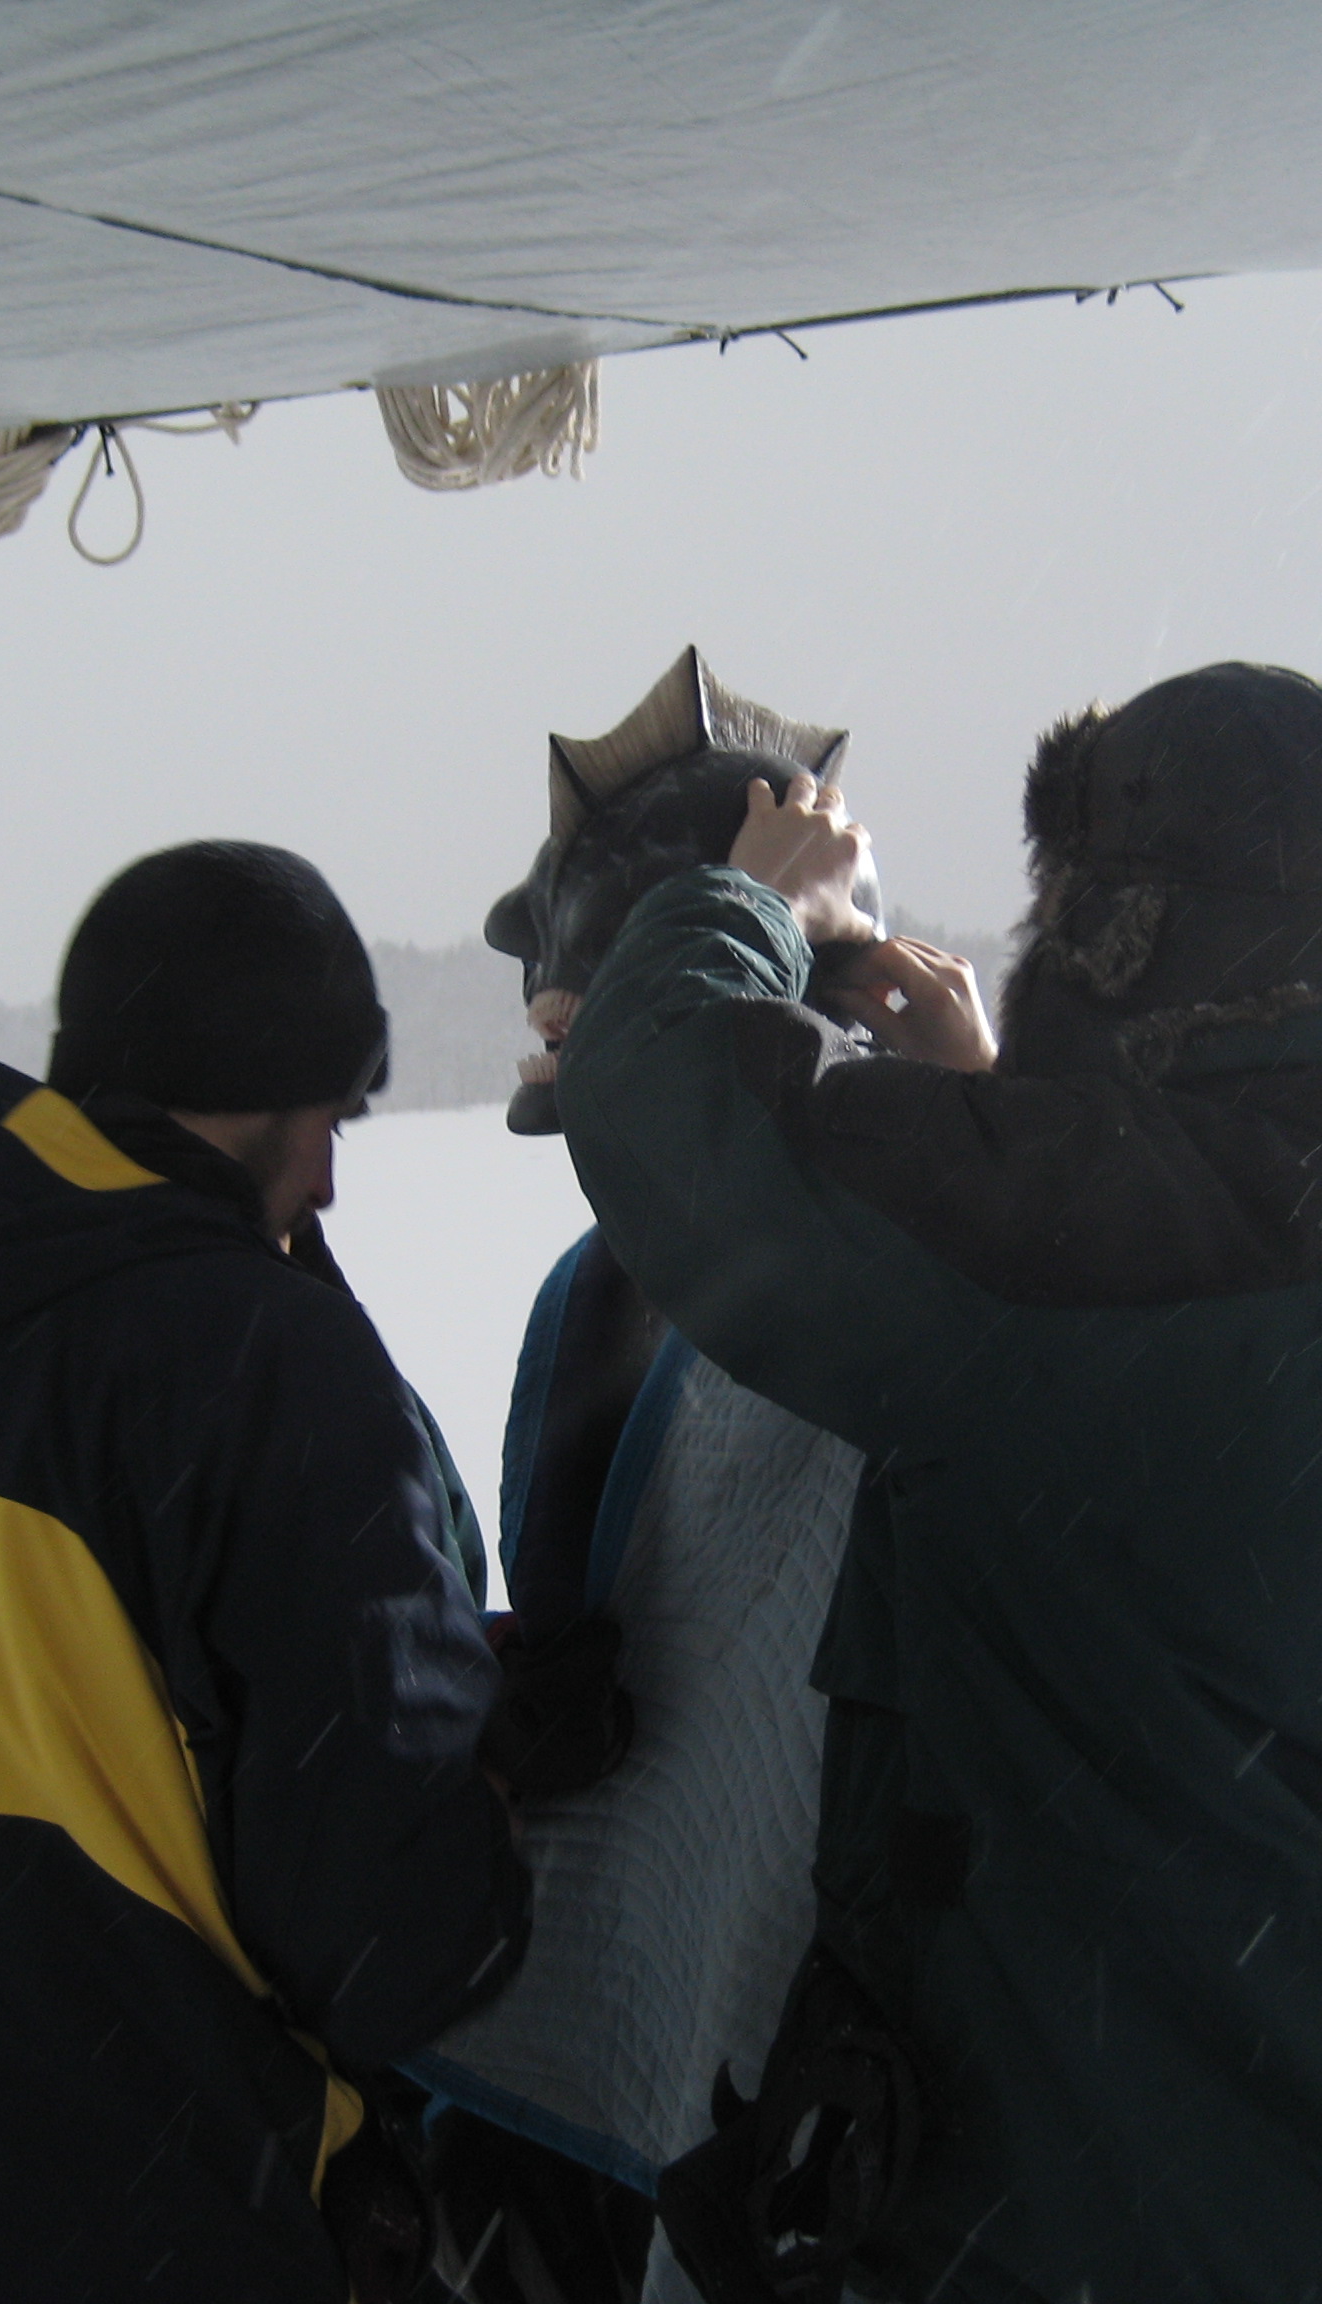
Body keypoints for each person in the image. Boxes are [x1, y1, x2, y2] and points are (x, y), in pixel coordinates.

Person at [557, 664, 1322, 2303]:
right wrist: (1002, 1117)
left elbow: (666, 1101)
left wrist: (748, 904)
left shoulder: (1137, 1239)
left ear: (1129, 938)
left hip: (1133, 2194)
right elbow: (1155, 1368)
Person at [0, 841, 529, 2304]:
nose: (330, 1179)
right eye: (335, 1117)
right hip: (171, 2228)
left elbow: (15, 1731)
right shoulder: (247, 1360)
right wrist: (484, 1765)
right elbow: (390, 1950)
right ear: (267, 1095)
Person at [408, 650, 918, 2304]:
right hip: (735, 2066)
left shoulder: (744, 1281)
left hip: (747, 2068)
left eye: (579, 1028)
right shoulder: (644, 1283)